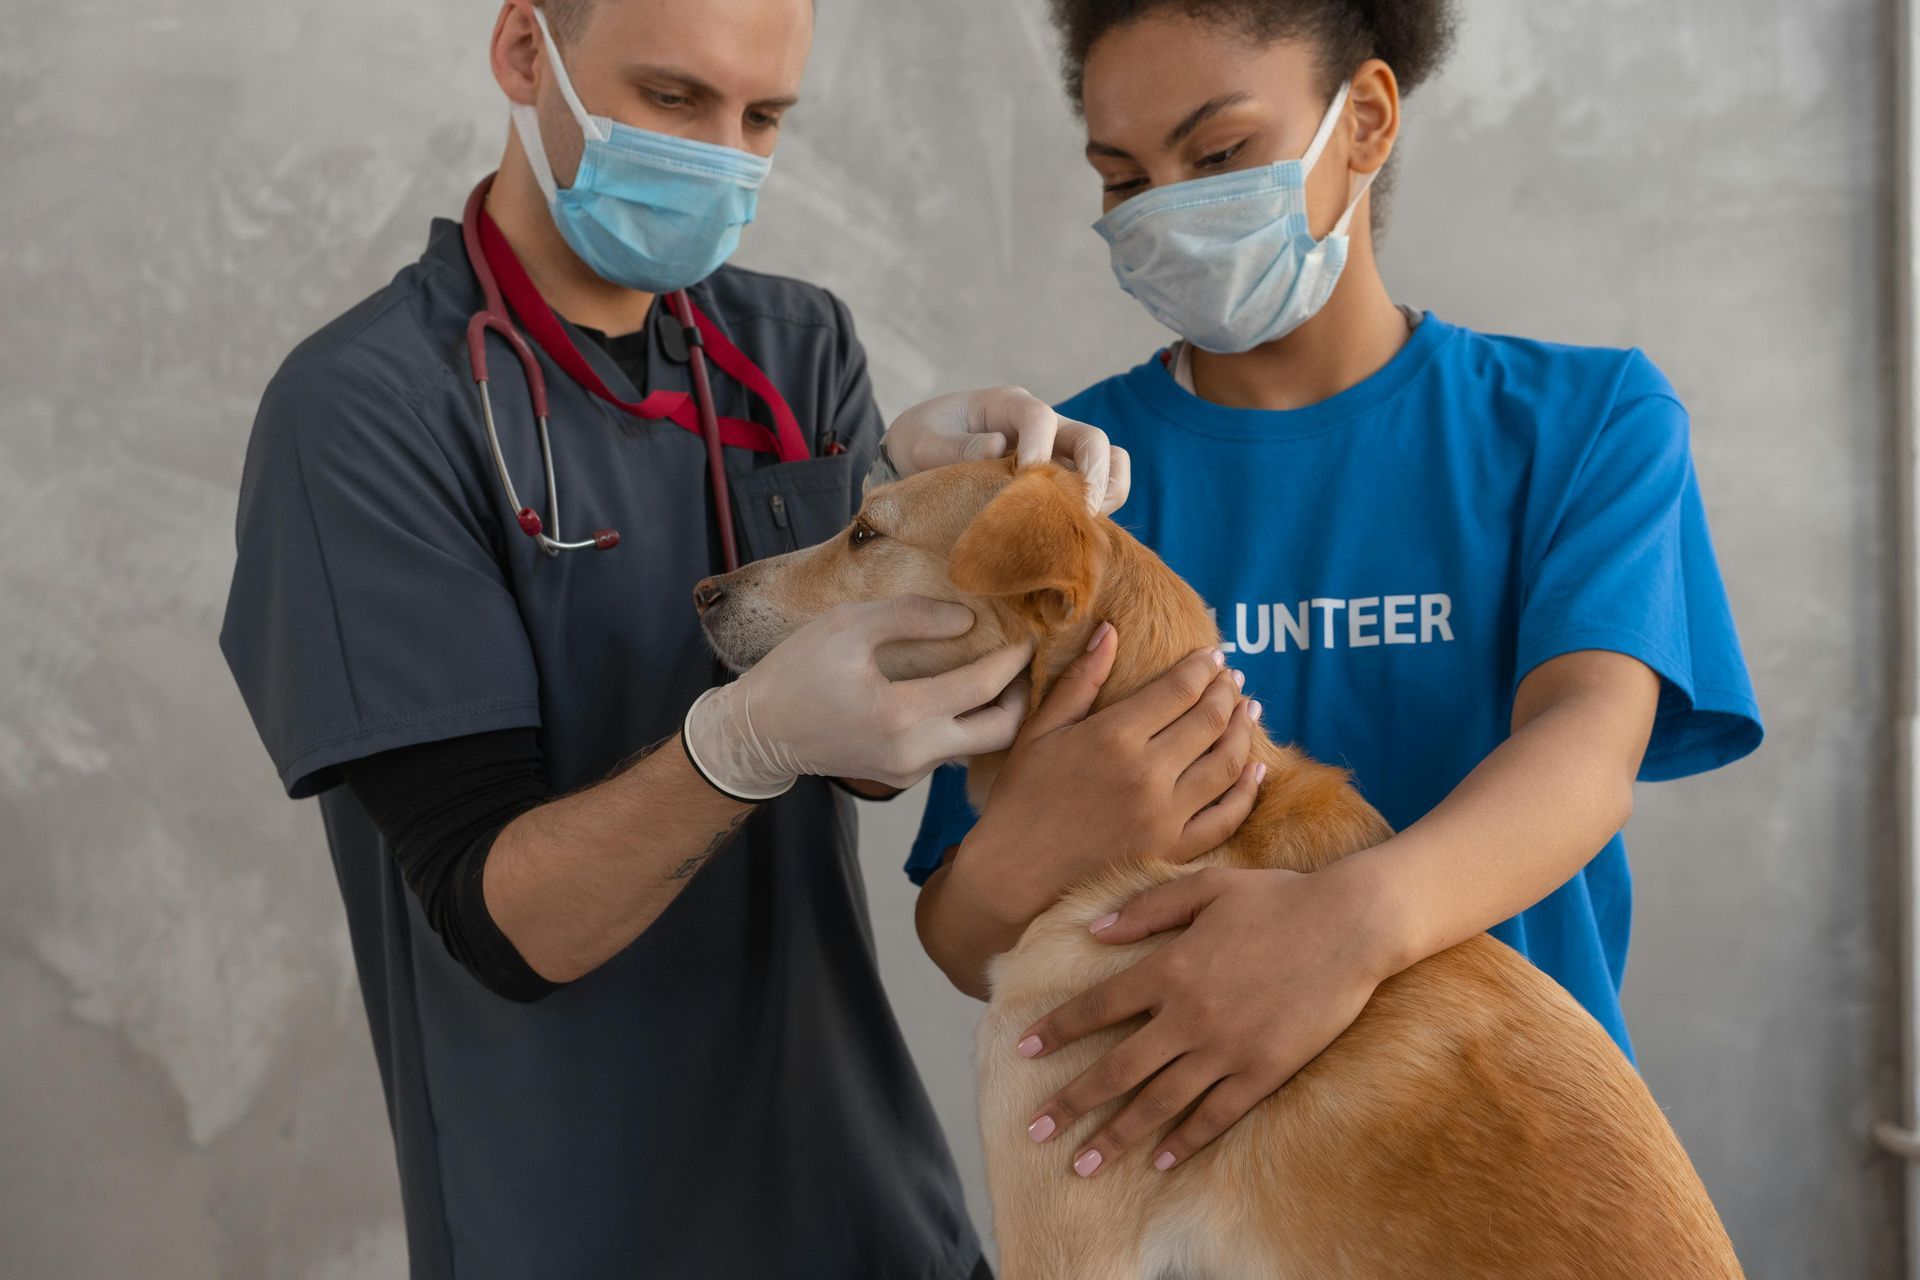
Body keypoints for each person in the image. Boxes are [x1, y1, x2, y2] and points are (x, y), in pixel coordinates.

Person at [217, 1, 1260, 1276]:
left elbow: (872, 754)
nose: (722, 153)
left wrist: (932, 518)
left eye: (762, 117)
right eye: (672, 98)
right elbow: (506, 923)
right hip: (576, 1219)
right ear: (524, 53)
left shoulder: (792, 347)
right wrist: (740, 742)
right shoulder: (368, 412)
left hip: (866, 1204)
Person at [907, 0, 1764, 1186]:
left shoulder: (1585, 424)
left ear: (1362, 119)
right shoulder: (1061, 494)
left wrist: (1344, 929)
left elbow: (1586, 749)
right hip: (1194, 1207)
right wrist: (1021, 852)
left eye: (1216, 158)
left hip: (1509, 1173)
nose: (1163, 210)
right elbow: (959, 931)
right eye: (1122, 177)